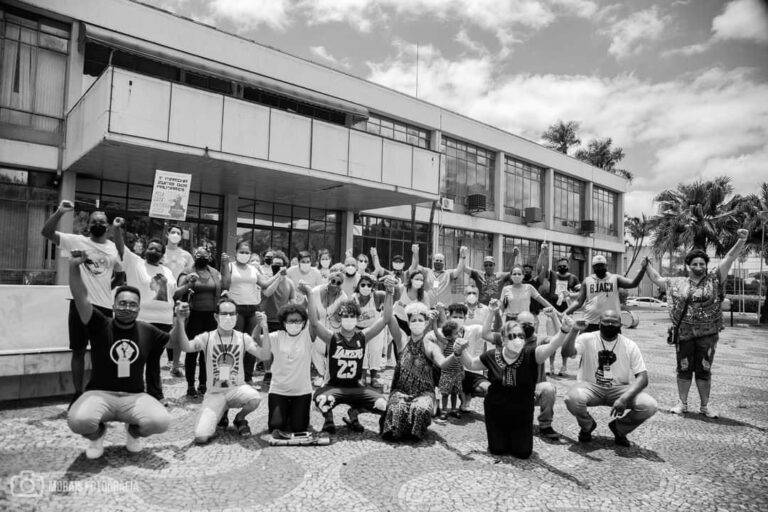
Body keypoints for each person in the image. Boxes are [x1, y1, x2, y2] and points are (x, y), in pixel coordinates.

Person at [66, 254, 172, 459]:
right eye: (122, 303)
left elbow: (174, 342)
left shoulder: (147, 330)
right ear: (113, 306)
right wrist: (73, 268)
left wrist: (183, 320)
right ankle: (97, 436)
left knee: (161, 421)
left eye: (132, 305)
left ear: (138, 309)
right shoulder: (99, 324)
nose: (127, 308)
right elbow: (80, 297)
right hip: (99, 394)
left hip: (134, 397)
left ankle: (133, 432)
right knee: (77, 421)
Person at [644, 229, 748, 418]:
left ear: (706, 265)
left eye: (702, 263)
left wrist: (741, 240)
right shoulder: (677, 282)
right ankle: (682, 403)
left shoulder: (715, 279)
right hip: (684, 334)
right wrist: (647, 265)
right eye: (695, 263)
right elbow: (657, 279)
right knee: (683, 368)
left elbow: (730, 258)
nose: (699, 266)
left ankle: (704, 406)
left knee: (704, 369)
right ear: (688, 266)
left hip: (708, 335)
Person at [458, 310, 575, 458]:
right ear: (503, 339)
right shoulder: (492, 355)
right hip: (496, 411)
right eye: (512, 336)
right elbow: (471, 364)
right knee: (498, 450)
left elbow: (552, 346)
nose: (517, 339)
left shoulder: (532, 355)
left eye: (521, 336)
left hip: (522, 412)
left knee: (523, 453)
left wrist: (564, 330)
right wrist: (460, 349)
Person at [41, 200, 123, 408]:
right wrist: (60, 212)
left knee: (102, 353)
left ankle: (97, 393)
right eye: (94, 221)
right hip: (78, 305)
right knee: (78, 351)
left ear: (107, 225)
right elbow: (47, 232)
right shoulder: (76, 241)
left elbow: (120, 274)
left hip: (104, 308)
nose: (98, 224)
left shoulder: (112, 248)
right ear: (89, 225)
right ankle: (78, 394)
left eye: (102, 221)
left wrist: (106, 287)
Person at [302, 278, 394, 433]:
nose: (349, 319)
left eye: (352, 316)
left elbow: (385, 319)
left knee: (383, 404)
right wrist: (310, 295)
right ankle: (329, 418)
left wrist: (389, 293)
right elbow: (314, 322)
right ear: (340, 317)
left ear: (357, 318)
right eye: (345, 316)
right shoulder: (332, 338)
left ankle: (354, 413)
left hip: (356, 387)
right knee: (322, 399)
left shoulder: (363, 336)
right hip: (334, 387)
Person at [561, 310, 657, 447]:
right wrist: (574, 330)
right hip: (590, 387)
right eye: (606, 321)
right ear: (599, 324)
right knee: (572, 399)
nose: (610, 324)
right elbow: (566, 352)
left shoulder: (629, 345)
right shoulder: (587, 338)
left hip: (619, 389)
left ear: (620, 325)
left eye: (614, 322)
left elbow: (643, 378)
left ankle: (619, 428)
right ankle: (587, 426)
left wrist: (624, 398)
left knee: (649, 405)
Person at [174, 298, 262, 443]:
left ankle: (239, 419)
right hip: (215, 393)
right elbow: (186, 347)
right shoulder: (207, 337)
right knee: (201, 437)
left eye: (232, 314)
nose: (228, 317)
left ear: (236, 316)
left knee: (255, 399)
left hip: (236, 389)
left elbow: (263, 355)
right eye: (224, 313)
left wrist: (262, 326)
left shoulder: (242, 338)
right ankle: (220, 412)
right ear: (216, 316)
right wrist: (180, 321)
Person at [380, 302, 465, 441]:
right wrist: (390, 294)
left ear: (426, 322)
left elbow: (443, 364)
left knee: (421, 410)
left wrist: (455, 354)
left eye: (421, 320)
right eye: (414, 320)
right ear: (408, 323)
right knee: (397, 409)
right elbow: (389, 318)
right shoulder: (402, 341)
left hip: (424, 393)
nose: (417, 323)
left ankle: (418, 427)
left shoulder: (431, 346)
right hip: (401, 391)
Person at [118, 237, 176, 404]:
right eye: (151, 248)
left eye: (157, 250)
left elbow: (172, 293)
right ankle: (128, 392)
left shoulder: (167, 271)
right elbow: (120, 245)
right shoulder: (135, 263)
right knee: (133, 356)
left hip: (164, 321)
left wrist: (187, 285)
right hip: (142, 320)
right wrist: (117, 230)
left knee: (154, 359)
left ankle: (155, 395)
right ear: (145, 250)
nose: (153, 251)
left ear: (162, 254)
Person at [250, 303, 320, 434]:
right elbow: (255, 339)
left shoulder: (307, 336)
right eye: (291, 321)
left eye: (298, 321)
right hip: (279, 390)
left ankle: (292, 413)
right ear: (284, 322)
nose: (295, 324)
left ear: (304, 322)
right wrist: (260, 324)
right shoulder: (277, 336)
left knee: (299, 428)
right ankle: (285, 412)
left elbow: (314, 323)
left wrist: (310, 296)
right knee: (276, 427)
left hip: (301, 392)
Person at [221, 241, 280, 384]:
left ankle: (247, 377)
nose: (244, 254)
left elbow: (265, 284)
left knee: (251, 344)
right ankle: (227, 377)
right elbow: (226, 284)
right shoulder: (230, 266)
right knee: (233, 343)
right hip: (237, 309)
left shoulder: (253, 269)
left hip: (253, 308)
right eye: (242, 251)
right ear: (236, 252)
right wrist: (224, 264)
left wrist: (279, 274)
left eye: (247, 252)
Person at [177, 246, 221, 397]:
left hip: (211, 317)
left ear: (209, 256)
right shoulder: (187, 271)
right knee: (193, 350)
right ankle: (190, 385)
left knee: (207, 352)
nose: (201, 256)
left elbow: (221, 288)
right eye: (198, 254)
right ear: (194, 256)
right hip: (194, 316)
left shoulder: (214, 272)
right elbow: (179, 291)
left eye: (205, 254)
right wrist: (188, 281)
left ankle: (203, 383)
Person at [564, 255, 647, 332]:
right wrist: (565, 313)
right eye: (597, 266)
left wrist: (643, 269)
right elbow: (578, 302)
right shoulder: (587, 281)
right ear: (593, 267)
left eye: (601, 265)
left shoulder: (615, 278)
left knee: (612, 346)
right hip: (590, 322)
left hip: (611, 322)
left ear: (606, 266)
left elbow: (633, 283)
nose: (599, 268)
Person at [538, 245, 581, 375]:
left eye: (565, 265)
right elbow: (541, 269)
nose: (563, 267)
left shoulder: (573, 278)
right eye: (560, 264)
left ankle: (563, 366)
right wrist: (543, 252)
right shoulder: (552, 275)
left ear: (568, 265)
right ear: (557, 265)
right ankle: (551, 366)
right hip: (553, 314)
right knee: (552, 340)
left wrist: (570, 295)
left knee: (565, 341)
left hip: (567, 315)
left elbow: (580, 292)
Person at [161, 225, 194, 376]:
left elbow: (191, 273)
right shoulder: (160, 251)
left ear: (181, 236)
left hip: (180, 295)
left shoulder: (186, 255)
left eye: (178, 233)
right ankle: (156, 360)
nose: (175, 235)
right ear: (167, 234)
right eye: (172, 232)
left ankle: (175, 364)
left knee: (179, 328)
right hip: (161, 295)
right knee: (161, 328)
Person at [260, 250, 297, 388]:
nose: (277, 266)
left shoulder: (290, 283)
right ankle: (268, 372)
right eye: (275, 264)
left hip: (282, 321)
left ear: (285, 266)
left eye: (280, 265)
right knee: (267, 348)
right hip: (267, 319)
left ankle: (279, 373)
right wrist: (278, 278)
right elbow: (267, 292)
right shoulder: (266, 280)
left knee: (281, 349)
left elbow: (293, 301)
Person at [351, 274, 390, 388]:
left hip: (375, 329)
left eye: (369, 285)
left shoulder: (377, 296)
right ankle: (362, 377)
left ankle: (374, 377)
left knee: (375, 352)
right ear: (358, 285)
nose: (366, 287)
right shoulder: (353, 298)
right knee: (361, 354)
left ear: (372, 286)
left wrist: (387, 284)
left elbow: (394, 295)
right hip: (359, 330)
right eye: (363, 284)